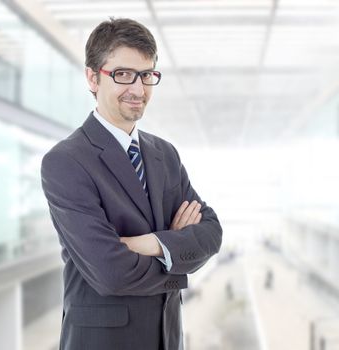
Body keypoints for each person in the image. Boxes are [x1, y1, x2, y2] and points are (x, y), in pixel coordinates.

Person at [40, 17, 222, 350]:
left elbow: (211, 233)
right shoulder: (66, 162)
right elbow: (110, 271)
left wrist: (150, 243)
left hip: (167, 339)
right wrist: (177, 250)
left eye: (147, 75)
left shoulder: (164, 154)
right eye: (123, 75)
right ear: (93, 78)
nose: (138, 89)